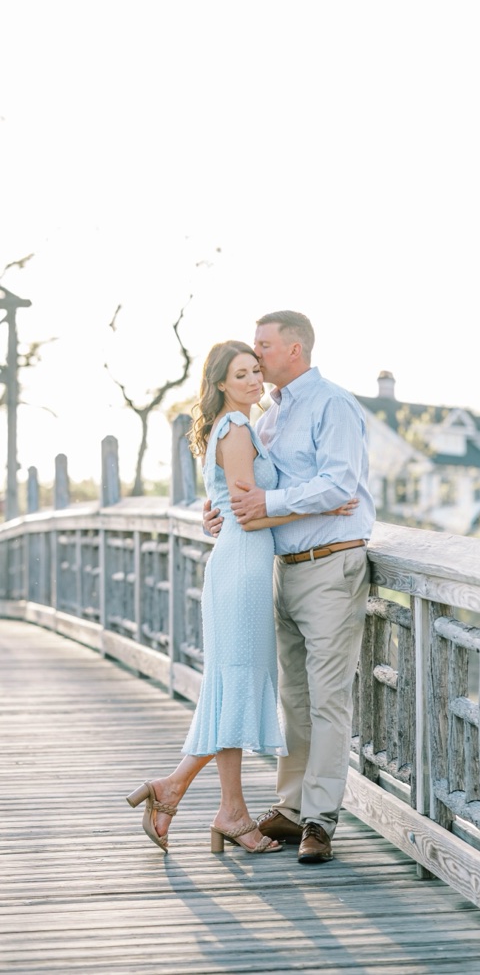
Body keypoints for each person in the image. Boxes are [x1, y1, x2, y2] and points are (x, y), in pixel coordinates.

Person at [127, 340, 356, 853]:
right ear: (222, 385)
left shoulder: (240, 427)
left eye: (257, 370)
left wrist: (271, 509)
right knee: (235, 684)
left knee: (232, 686)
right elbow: (249, 512)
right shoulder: (234, 429)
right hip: (242, 568)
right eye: (242, 374)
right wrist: (321, 509)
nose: (254, 380)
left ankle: (197, 799)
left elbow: (234, 505)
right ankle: (210, 803)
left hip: (249, 564)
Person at [204, 310, 375, 865]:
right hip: (279, 568)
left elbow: (338, 484)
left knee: (327, 699)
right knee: (294, 698)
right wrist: (223, 511)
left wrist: (264, 505)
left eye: (263, 348)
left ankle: (321, 820)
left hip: (330, 566)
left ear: (293, 350)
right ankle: (293, 804)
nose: (257, 360)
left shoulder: (333, 405)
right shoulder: (269, 416)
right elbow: (249, 486)